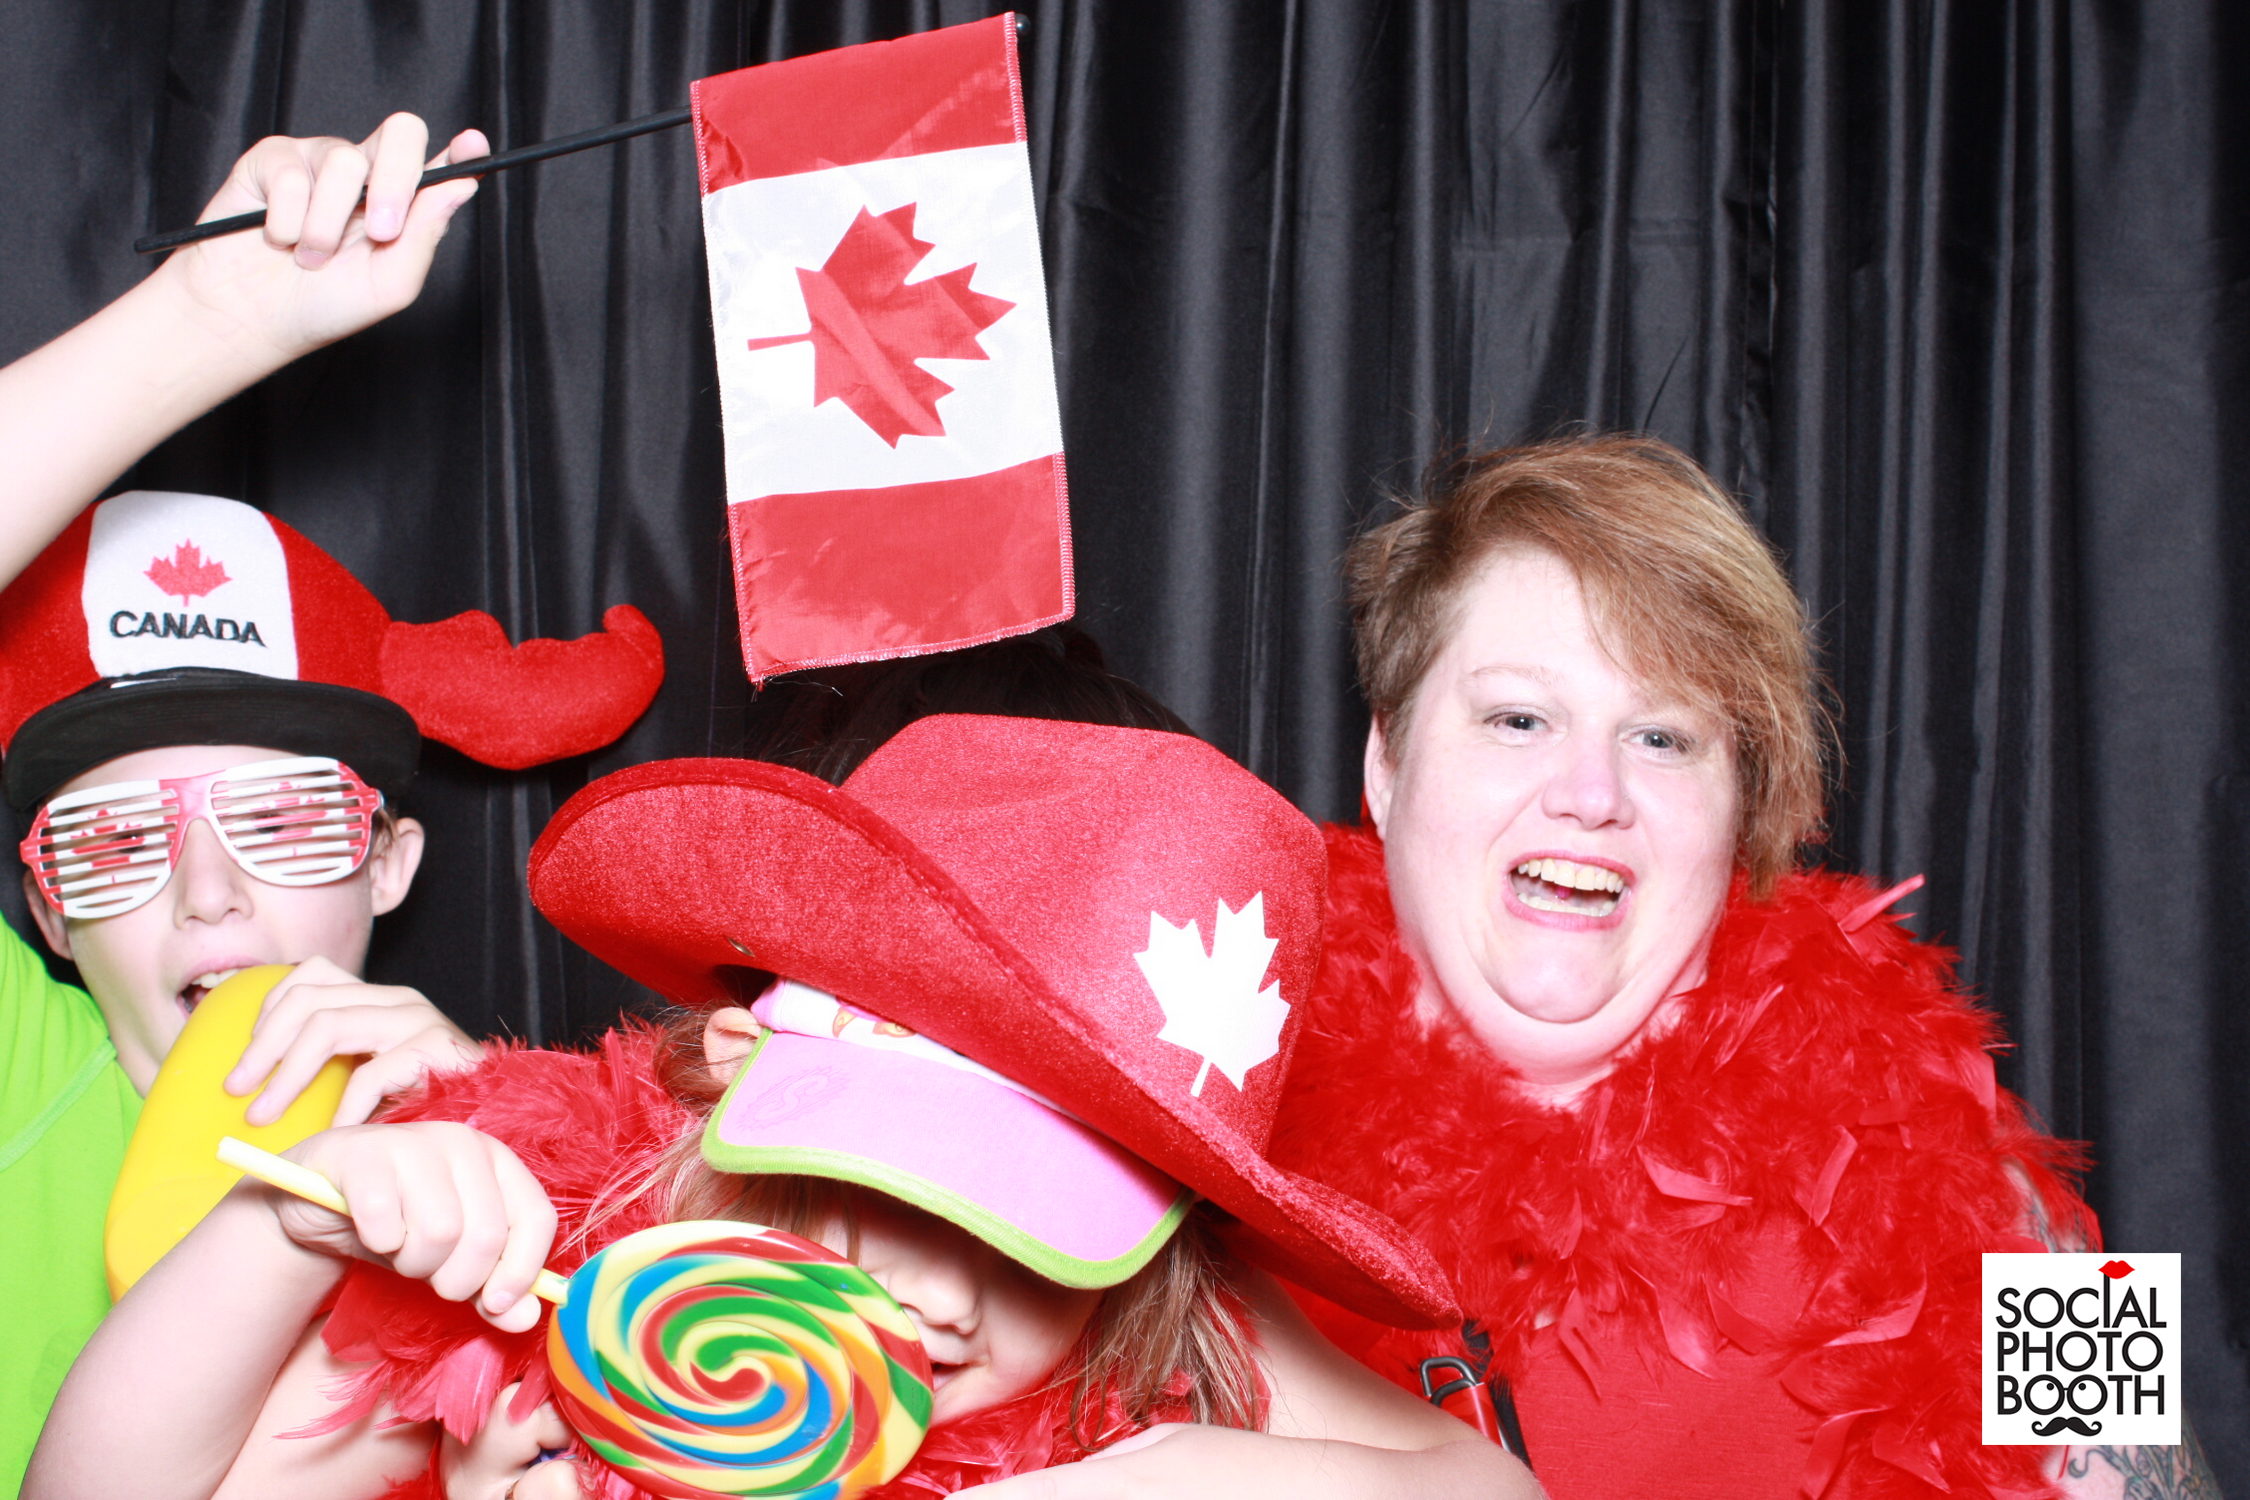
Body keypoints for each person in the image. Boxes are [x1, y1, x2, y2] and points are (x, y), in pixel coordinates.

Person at [29, 715, 1541, 1500]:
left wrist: (1200, 1482)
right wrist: (286, 1222)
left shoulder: (1150, 1317)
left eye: (1037, 1229)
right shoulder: (567, 1293)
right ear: (748, 1085)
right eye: (897, 1184)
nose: (945, 1299)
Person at [1265, 433, 2223, 1498]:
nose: (1591, 794)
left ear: (1740, 813)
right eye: (1519, 718)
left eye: (1663, 738)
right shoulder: (1207, 1155)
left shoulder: (1973, 1159)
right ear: (1386, 765)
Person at [0, 114, 664, 1490]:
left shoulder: (551, 1174)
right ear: (49, 914)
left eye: (285, 819)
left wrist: (499, 1142)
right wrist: (204, 320)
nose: (209, 894)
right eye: (115, 842)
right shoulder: (21, 1068)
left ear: (389, 861)